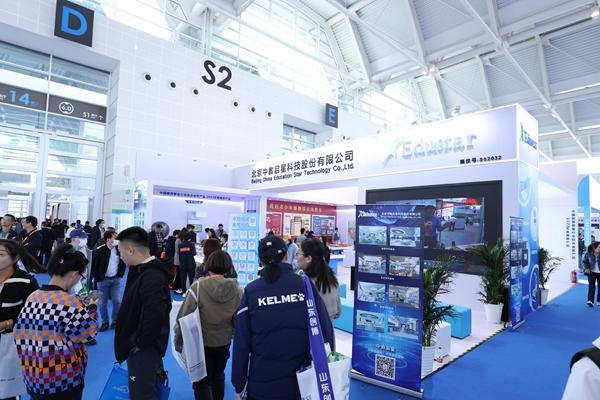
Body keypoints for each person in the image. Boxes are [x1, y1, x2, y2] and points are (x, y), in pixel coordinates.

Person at [231, 235, 334, 400]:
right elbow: (325, 331)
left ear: (260, 260)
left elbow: (241, 343)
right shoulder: (305, 285)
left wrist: (239, 383)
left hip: (263, 385)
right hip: (302, 382)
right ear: (287, 255)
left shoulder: (251, 292)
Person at [14, 243, 99, 400]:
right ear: (73, 274)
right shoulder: (70, 302)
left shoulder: (33, 296)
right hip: (62, 378)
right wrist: (92, 309)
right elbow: (87, 334)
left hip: (33, 374)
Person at [174, 250, 243, 400]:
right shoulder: (238, 290)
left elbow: (184, 316)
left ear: (208, 264)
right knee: (218, 376)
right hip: (224, 340)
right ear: (228, 267)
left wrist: (178, 340)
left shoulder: (198, 287)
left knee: (201, 381)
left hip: (201, 341)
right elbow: (240, 320)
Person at [114, 227, 173, 399]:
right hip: (139, 344)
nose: (120, 256)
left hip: (143, 349)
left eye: (120, 251)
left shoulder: (151, 276)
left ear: (130, 250)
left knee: (141, 394)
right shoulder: (141, 271)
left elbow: (155, 314)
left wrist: (140, 342)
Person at [0, 240, 44, 400]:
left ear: (15, 258)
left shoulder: (26, 282)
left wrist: (7, 323)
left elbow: (34, 316)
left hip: (10, 342)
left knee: (8, 388)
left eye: (1, 254)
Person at [297, 238, 341, 327]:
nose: (296, 257)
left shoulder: (303, 283)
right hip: (329, 333)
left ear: (308, 258)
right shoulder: (332, 280)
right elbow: (338, 313)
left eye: (298, 253)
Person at [92, 230, 126, 332]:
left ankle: (115, 321)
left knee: (117, 301)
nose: (117, 240)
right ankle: (105, 322)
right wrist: (98, 278)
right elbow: (95, 266)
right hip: (103, 280)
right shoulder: (99, 250)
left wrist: (120, 274)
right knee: (103, 302)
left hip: (116, 279)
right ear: (108, 239)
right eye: (115, 238)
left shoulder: (119, 250)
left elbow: (123, 263)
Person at [582, 242, 600, 307]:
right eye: (599, 247)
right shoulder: (588, 254)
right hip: (591, 272)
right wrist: (587, 268)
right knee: (591, 286)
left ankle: (599, 300)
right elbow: (584, 261)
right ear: (594, 248)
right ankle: (590, 300)